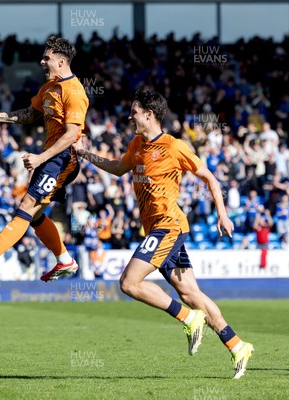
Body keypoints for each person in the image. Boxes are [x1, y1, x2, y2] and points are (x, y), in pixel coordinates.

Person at [73, 88, 254, 379]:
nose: (130, 116)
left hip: (168, 225)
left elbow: (209, 177)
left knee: (129, 283)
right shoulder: (136, 145)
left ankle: (187, 318)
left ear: (149, 114)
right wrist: (85, 154)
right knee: (191, 293)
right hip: (159, 228)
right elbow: (119, 168)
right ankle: (237, 346)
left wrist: (222, 213)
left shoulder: (173, 146)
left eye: (134, 111)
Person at [0, 36, 89, 281]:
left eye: (46, 58)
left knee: (27, 206)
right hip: (50, 159)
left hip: (62, 160)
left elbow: (72, 135)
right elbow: (30, 114)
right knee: (35, 215)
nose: (42, 61)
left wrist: (40, 158)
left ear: (61, 62)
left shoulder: (75, 91)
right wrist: (0, 117)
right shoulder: (48, 88)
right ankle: (65, 260)